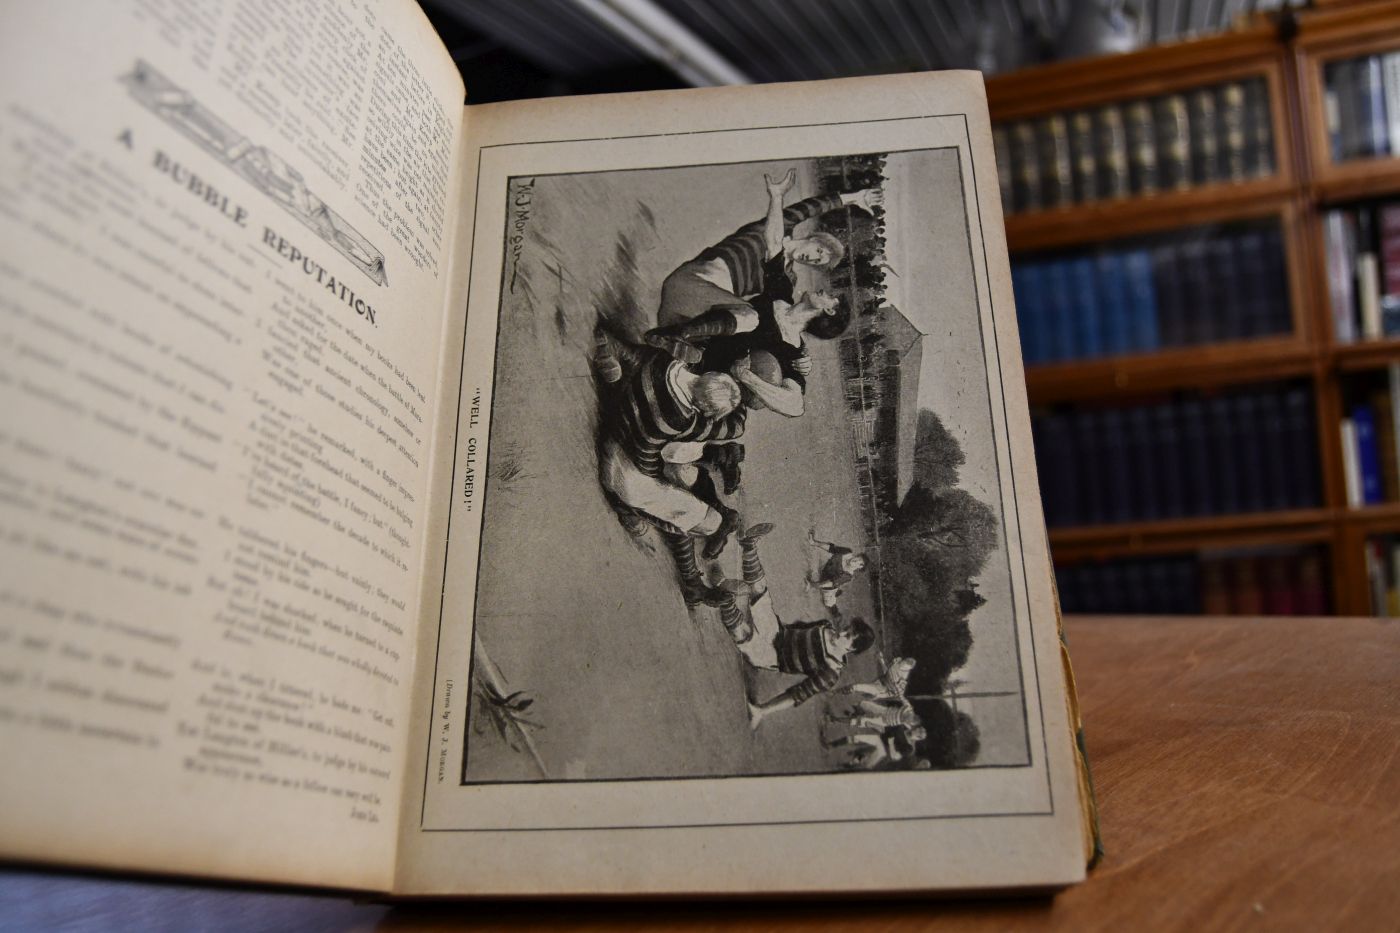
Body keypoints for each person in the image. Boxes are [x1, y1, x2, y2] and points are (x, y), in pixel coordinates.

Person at [651, 169, 882, 330]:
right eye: (819, 251)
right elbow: (810, 207)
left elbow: (781, 311)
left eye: (817, 262)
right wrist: (852, 198)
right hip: (687, 284)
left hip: (698, 316)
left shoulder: (786, 277)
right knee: (750, 317)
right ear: (813, 238)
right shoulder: (778, 226)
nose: (812, 258)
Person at [700, 525, 875, 727]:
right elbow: (797, 627)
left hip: (770, 657)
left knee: (745, 634)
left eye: (848, 636)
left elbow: (796, 695)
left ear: (851, 649)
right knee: (760, 592)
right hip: (778, 633)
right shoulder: (826, 626)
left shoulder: (830, 672)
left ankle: (725, 599)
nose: (842, 632)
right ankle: (749, 546)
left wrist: (761, 711)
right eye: (847, 629)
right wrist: (767, 620)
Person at [597, 342, 749, 566]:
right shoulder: (681, 418)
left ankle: (718, 462)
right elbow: (733, 428)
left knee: (680, 461)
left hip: (615, 433)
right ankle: (628, 509)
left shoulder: (665, 361)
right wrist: (664, 479)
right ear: (704, 407)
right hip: (621, 470)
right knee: (710, 521)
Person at [805, 529, 868, 598]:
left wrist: (813, 585)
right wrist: (814, 543)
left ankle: (835, 592)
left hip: (829, 584)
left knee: (828, 600)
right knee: (820, 570)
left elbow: (831, 583)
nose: (855, 561)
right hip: (827, 568)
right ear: (856, 555)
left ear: (859, 568)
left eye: (859, 563)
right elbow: (831, 548)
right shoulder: (847, 552)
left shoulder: (848, 575)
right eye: (858, 558)